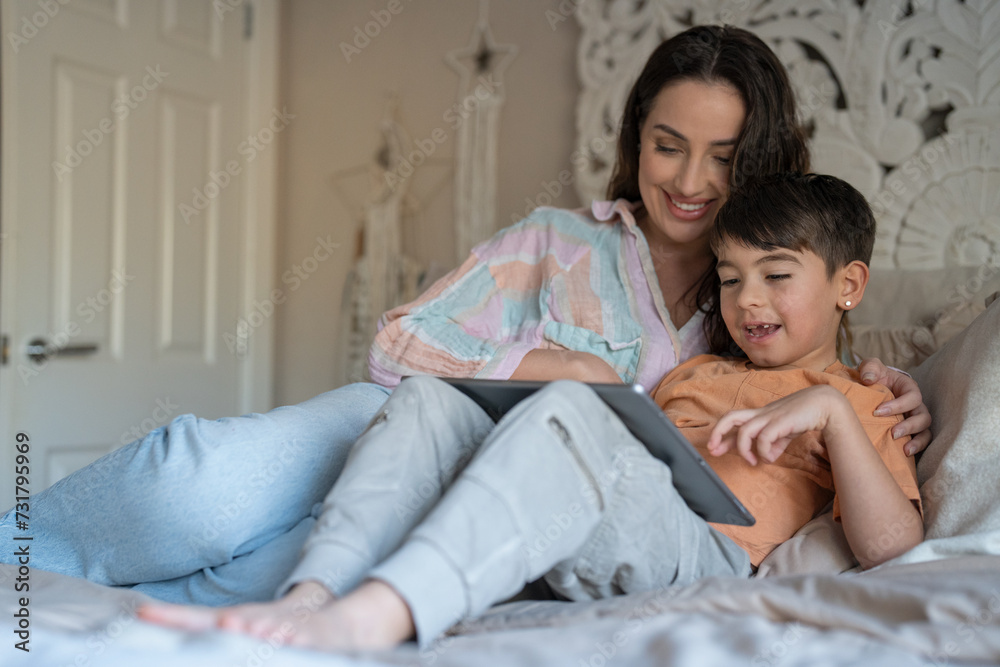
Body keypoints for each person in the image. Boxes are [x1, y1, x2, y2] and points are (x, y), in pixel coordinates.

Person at [0, 26, 928, 606]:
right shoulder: (559, 240)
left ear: (763, 164)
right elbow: (398, 350)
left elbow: (825, 405)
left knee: (258, 573)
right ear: (635, 140)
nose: (689, 181)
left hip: (510, 506)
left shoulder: (758, 310)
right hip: (407, 426)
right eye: (667, 145)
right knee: (198, 480)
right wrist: (541, 371)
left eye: (723, 156)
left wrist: (878, 393)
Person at [138, 172, 924, 651]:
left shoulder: (866, 400)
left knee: (574, 410)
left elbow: (894, 544)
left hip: (708, 554)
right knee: (432, 400)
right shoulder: (699, 371)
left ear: (847, 284)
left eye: (776, 275)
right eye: (729, 277)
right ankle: (314, 595)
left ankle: (380, 616)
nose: (747, 299)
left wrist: (828, 410)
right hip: (613, 512)